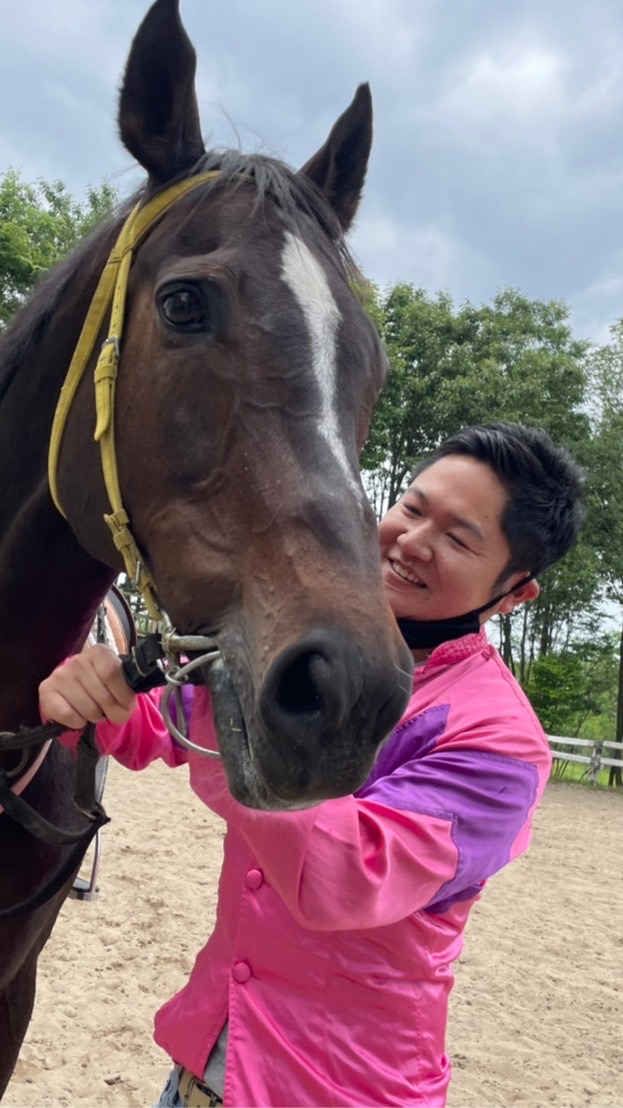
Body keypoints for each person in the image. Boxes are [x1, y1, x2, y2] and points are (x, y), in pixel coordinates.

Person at [40, 422, 584, 1108]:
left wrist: (233, 690)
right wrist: (96, 696)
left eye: (458, 538)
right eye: (413, 508)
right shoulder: (306, 640)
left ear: (514, 592)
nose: (412, 542)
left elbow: (345, 874)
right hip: (200, 1067)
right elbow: (168, 720)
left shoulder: (500, 743)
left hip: (339, 1090)